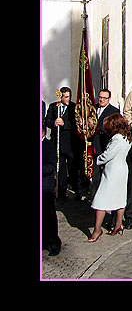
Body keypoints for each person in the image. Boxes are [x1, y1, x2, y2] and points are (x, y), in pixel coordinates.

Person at [87, 113, 132, 242]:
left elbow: (108, 155)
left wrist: (95, 160)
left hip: (114, 171)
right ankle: (118, 225)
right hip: (121, 168)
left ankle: (97, 230)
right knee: (120, 197)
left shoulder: (117, 138)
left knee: (100, 200)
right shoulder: (126, 136)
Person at [44, 87, 83, 200]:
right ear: (60, 97)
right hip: (58, 143)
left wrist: (64, 123)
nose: (67, 99)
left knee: (73, 169)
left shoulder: (74, 107)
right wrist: (54, 122)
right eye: (65, 97)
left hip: (71, 144)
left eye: (69, 97)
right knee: (60, 169)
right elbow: (47, 121)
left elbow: (77, 125)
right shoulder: (53, 106)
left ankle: (78, 192)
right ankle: (61, 193)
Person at [89, 88, 120, 204]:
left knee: (107, 175)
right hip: (94, 146)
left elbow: (113, 128)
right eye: (100, 97)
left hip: (106, 146)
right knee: (95, 176)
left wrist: (98, 129)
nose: (101, 100)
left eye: (104, 98)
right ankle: (94, 198)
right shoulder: (93, 108)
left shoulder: (113, 111)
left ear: (109, 99)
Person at [42, 122, 61, 256]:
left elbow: (50, 166)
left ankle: (54, 243)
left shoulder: (48, 146)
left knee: (48, 216)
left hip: (45, 188)